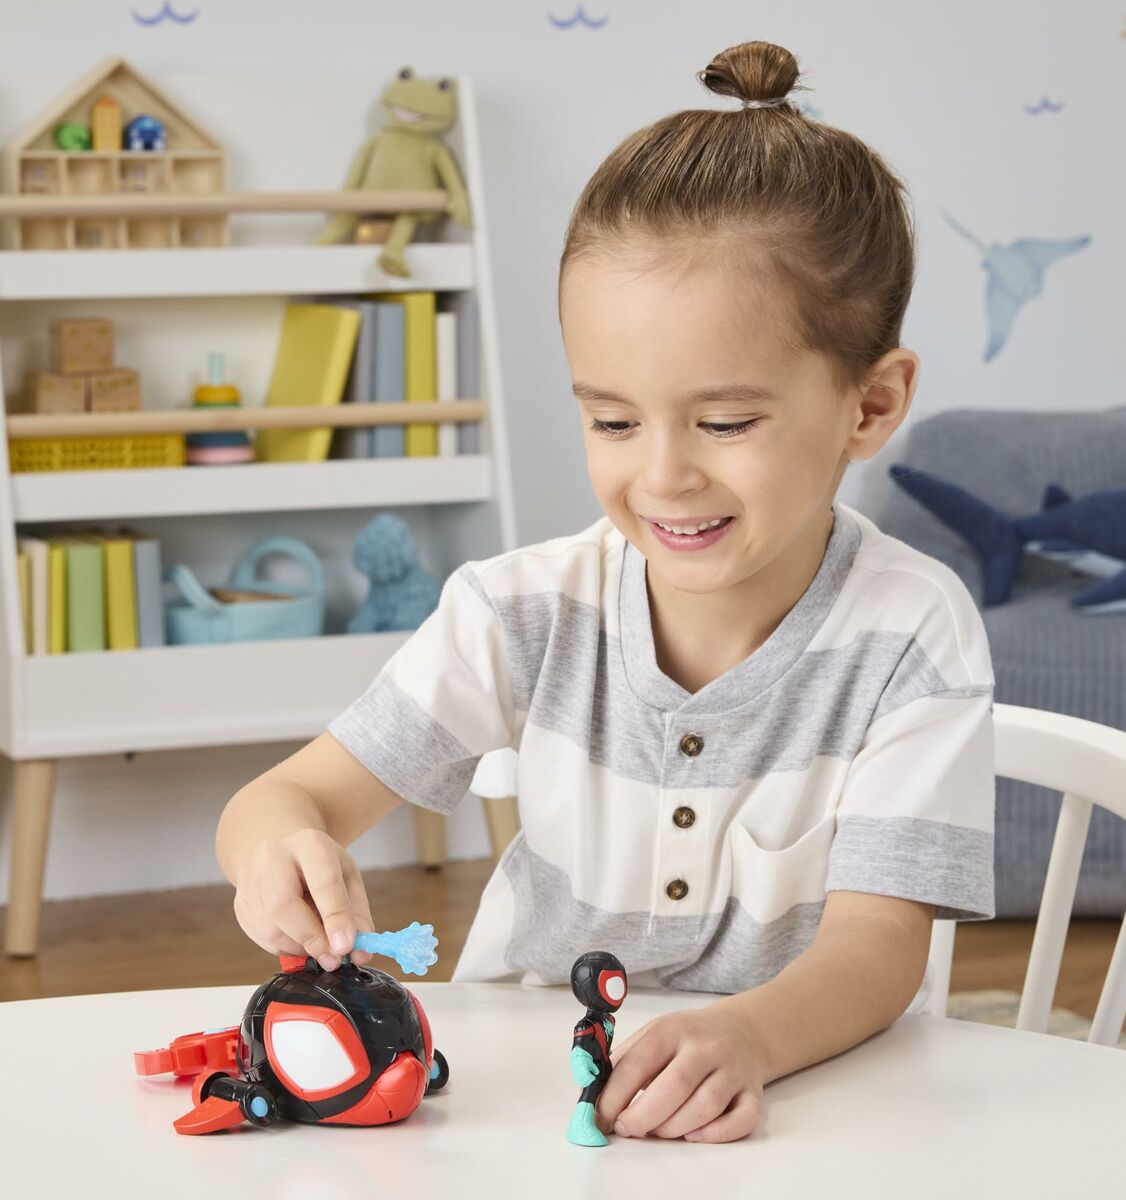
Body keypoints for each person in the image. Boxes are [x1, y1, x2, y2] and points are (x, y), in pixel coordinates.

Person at [216, 40, 995, 1145]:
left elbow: (878, 946)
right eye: (613, 419)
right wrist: (274, 848)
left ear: (870, 406)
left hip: (800, 1104)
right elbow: (287, 798)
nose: (663, 475)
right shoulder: (521, 610)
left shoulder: (911, 633)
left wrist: (748, 1036)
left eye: (725, 422)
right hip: (524, 1109)